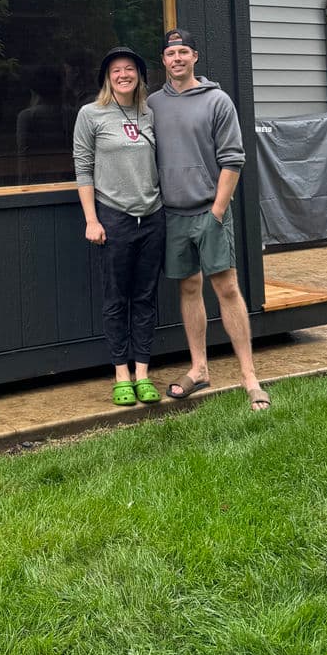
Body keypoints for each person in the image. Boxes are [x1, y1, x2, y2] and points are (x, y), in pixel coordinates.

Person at [147, 28, 271, 412]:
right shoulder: (152, 104)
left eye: (184, 51)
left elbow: (233, 158)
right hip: (172, 214)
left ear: (195, 57)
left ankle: (249, 376)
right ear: (164, 61)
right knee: (188, 288)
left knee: (227, 288)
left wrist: (218, 211)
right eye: (171, 53)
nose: (177, 58)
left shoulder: (217, 101)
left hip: (209, 211)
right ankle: (199, 368)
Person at [73, 47, 165, 406]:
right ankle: (121, 374)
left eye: (130, 69)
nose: (123, 75)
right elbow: (83, 169)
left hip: (153, 216)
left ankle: (142, 372)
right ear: (107, 78)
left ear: (140, 76)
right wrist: (91, 219)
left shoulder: (150, 114)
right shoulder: (91, 115)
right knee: (116, 299)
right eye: (116, 70)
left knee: (145, 297)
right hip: (113, 217)